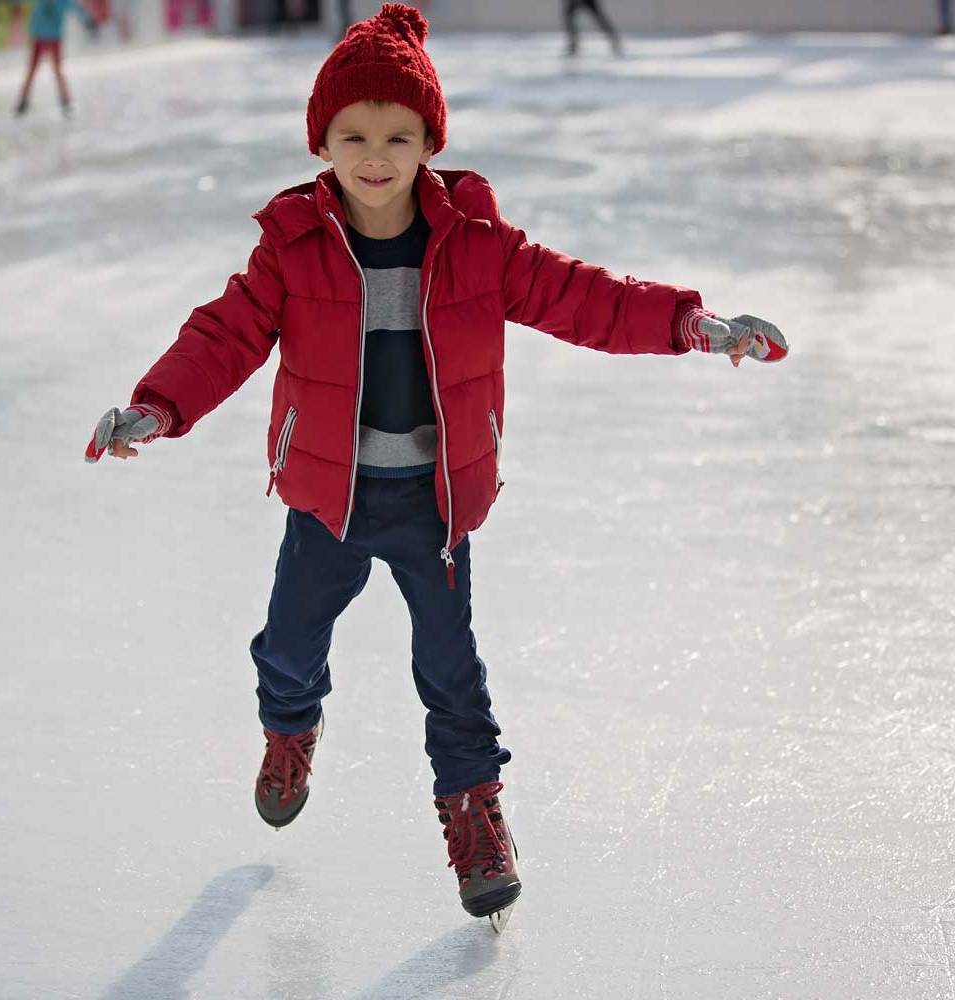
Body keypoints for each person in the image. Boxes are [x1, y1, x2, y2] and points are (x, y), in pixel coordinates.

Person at [84, 2, 787, 928]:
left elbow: (588, 298)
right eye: (354, 134)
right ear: (322, 142)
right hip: (326, 501)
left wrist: (691, 325)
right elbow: (224, 336)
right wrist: (158, 405)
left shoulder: (478, 246)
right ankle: (291, 729)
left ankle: (473, 811)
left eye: (398, 135)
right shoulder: (292, 246)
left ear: (429, 142)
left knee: (451, 670)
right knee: (288, 651)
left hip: (434, 500)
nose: (375, 155)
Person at [13, 0, 96, 116]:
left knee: (56, 70)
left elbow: (76, 8)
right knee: (34, 70)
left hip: (52, 37)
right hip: (40, 36)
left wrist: (88, 21)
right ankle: (23, 101)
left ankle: (65, 100)